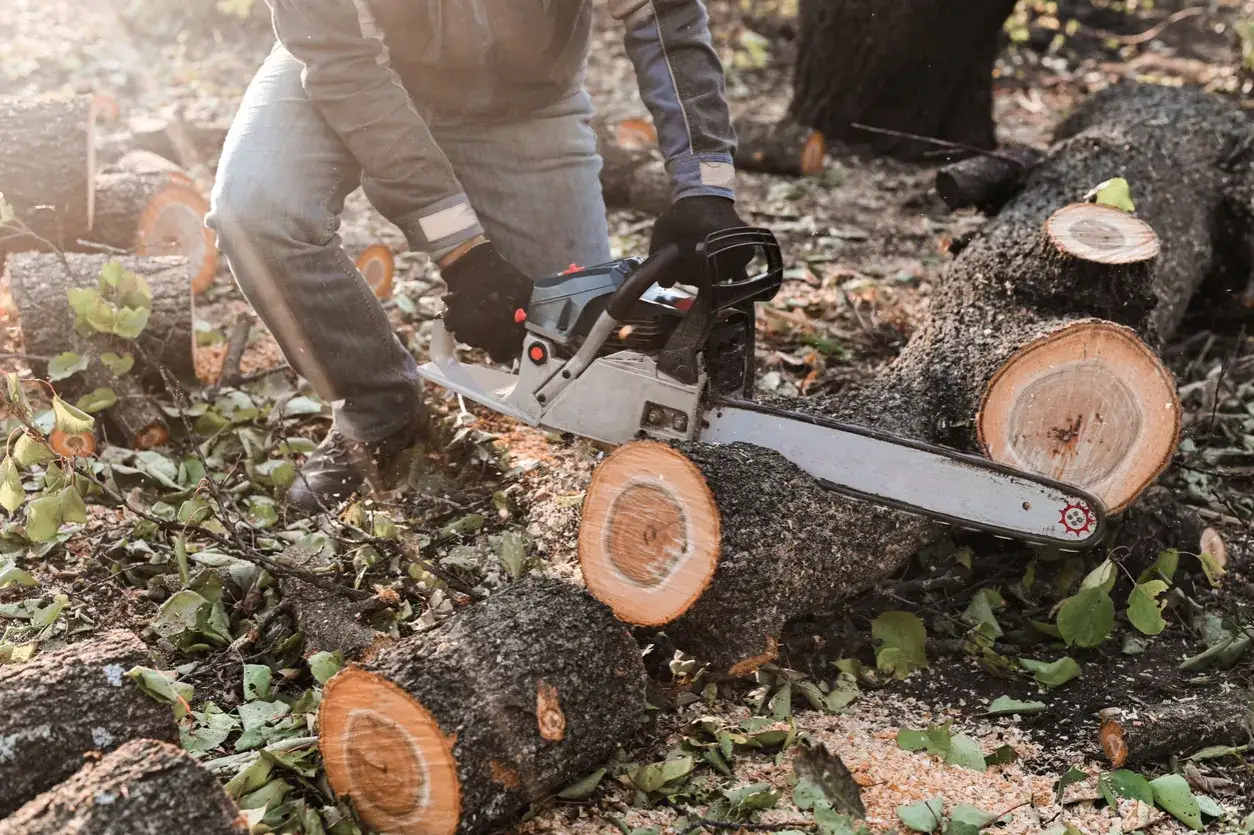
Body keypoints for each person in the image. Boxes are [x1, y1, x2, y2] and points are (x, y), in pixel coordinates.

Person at [206, 0, 747, 512]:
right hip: (342, 69)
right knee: (257, 211)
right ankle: (378, 408)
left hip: (523, 106)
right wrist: (463, 254)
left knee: (583, 343)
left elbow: (665, 16)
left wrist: (705, 185)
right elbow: (346, 69)